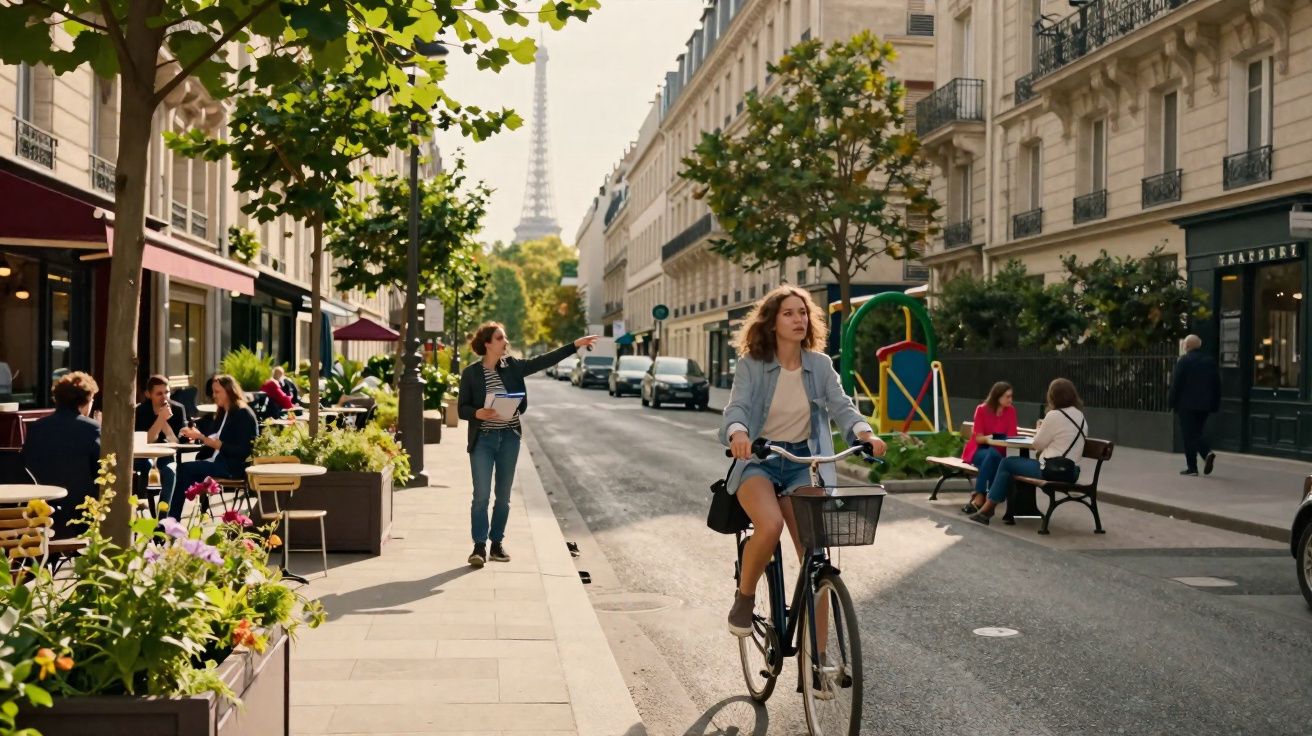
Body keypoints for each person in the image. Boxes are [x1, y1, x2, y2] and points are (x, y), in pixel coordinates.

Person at [720, 286, 886, 637]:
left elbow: (841, 404)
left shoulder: (820, 365)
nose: (799, 319)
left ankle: (821, 663)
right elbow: (738, 406)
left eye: (803, 312)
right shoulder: (753, 365)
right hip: (759, 460)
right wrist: (738, 434)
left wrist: (864, 433)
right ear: (772, 322)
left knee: (816, 557)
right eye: (789, 313)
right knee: (770, 525)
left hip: (800, 462)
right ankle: (745, 595)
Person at [457, 323, 599, 568]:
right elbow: (462, 409)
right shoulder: (471, 373)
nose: (506, 341)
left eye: (505, 336)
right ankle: (479, 546)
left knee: (503, 497)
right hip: (483, 441)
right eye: (500, 337)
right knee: (481, 496)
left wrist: (575, 345)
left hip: (509, 439)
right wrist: (478, 413)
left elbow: (543, 360)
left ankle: (496, 544)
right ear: (488, 343)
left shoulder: (513, 366)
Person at [970, 378, 1086, 525]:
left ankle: (987, 509)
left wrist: (1039, 430)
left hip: (1052, 470)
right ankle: (995, 507)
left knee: (1007, 463)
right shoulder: (1081, 416)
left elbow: (1038, 444)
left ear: (1053, 396)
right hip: (1072, 472)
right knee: (1008, 465)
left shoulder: (1054, 415)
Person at [22, 372, 100, 535]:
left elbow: (26, 467)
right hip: (80, 517)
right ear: (85, 401)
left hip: (40, 514)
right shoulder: (93, 429)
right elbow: (102, 473)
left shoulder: (36, 428)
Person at [173, 374, 259, 521]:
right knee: (185, 471)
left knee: (184, 470)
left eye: (217, 392)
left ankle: (172, 519)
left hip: (233, 467)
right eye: (213, 391)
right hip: (218, 462)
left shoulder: (242, 414)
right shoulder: (223, 412)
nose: (214, 395)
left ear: (229, 391)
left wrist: (204, 439)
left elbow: (243, 451)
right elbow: (214, 438)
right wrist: (198, 436)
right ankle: (179, 517)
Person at [960, 382, 1018, 515]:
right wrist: (993, 437)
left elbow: (1012, 435)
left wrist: (995, 438)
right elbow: (979, 438)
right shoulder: (982, 409)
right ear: (997, 397)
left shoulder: (1011, 411)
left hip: (1001, 453)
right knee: (992, 456)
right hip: (980, 451)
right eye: (1007, 396)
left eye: (1011, 396)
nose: (1011, 400)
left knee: (995, 458)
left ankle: (979, 497)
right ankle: (982, 497)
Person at [1169, 334, 1220, 476]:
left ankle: (1195, 465)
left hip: (1186, 404)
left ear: (1187, 346)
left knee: (1189, 434)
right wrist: (1215, 403)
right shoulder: (1209, 361)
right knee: (1196, 432)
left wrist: (1171, 402)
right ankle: (1204, 457)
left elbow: (1176, 384)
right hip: (1205, 405)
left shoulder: (1184, 361)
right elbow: (1217, 384)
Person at [134, 374, 186, 508]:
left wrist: (164, 420)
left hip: (167, 455)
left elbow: (175, 442)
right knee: (146, 467)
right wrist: (161, 418)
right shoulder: (140, 411)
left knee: (170, 471)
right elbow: (147, 441)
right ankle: (143, 504)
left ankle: (163, 512)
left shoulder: (178, 409)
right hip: (144, 456)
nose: (164, 397)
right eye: (159, 393)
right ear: (148, 394)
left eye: (167, 392)